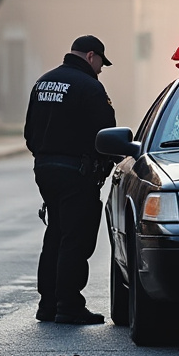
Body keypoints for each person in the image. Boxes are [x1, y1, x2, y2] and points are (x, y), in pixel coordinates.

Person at [24, 35, 118, 324]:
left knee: (55, 234)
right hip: (77, 173)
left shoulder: (43, 82)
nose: (101, 69)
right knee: (75, 238)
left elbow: (30, 133)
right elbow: (106, 135)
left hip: (45, 169)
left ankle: (48, 304)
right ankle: (69, 305)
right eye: (101, 62)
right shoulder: (90, 87)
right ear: (91, 56)